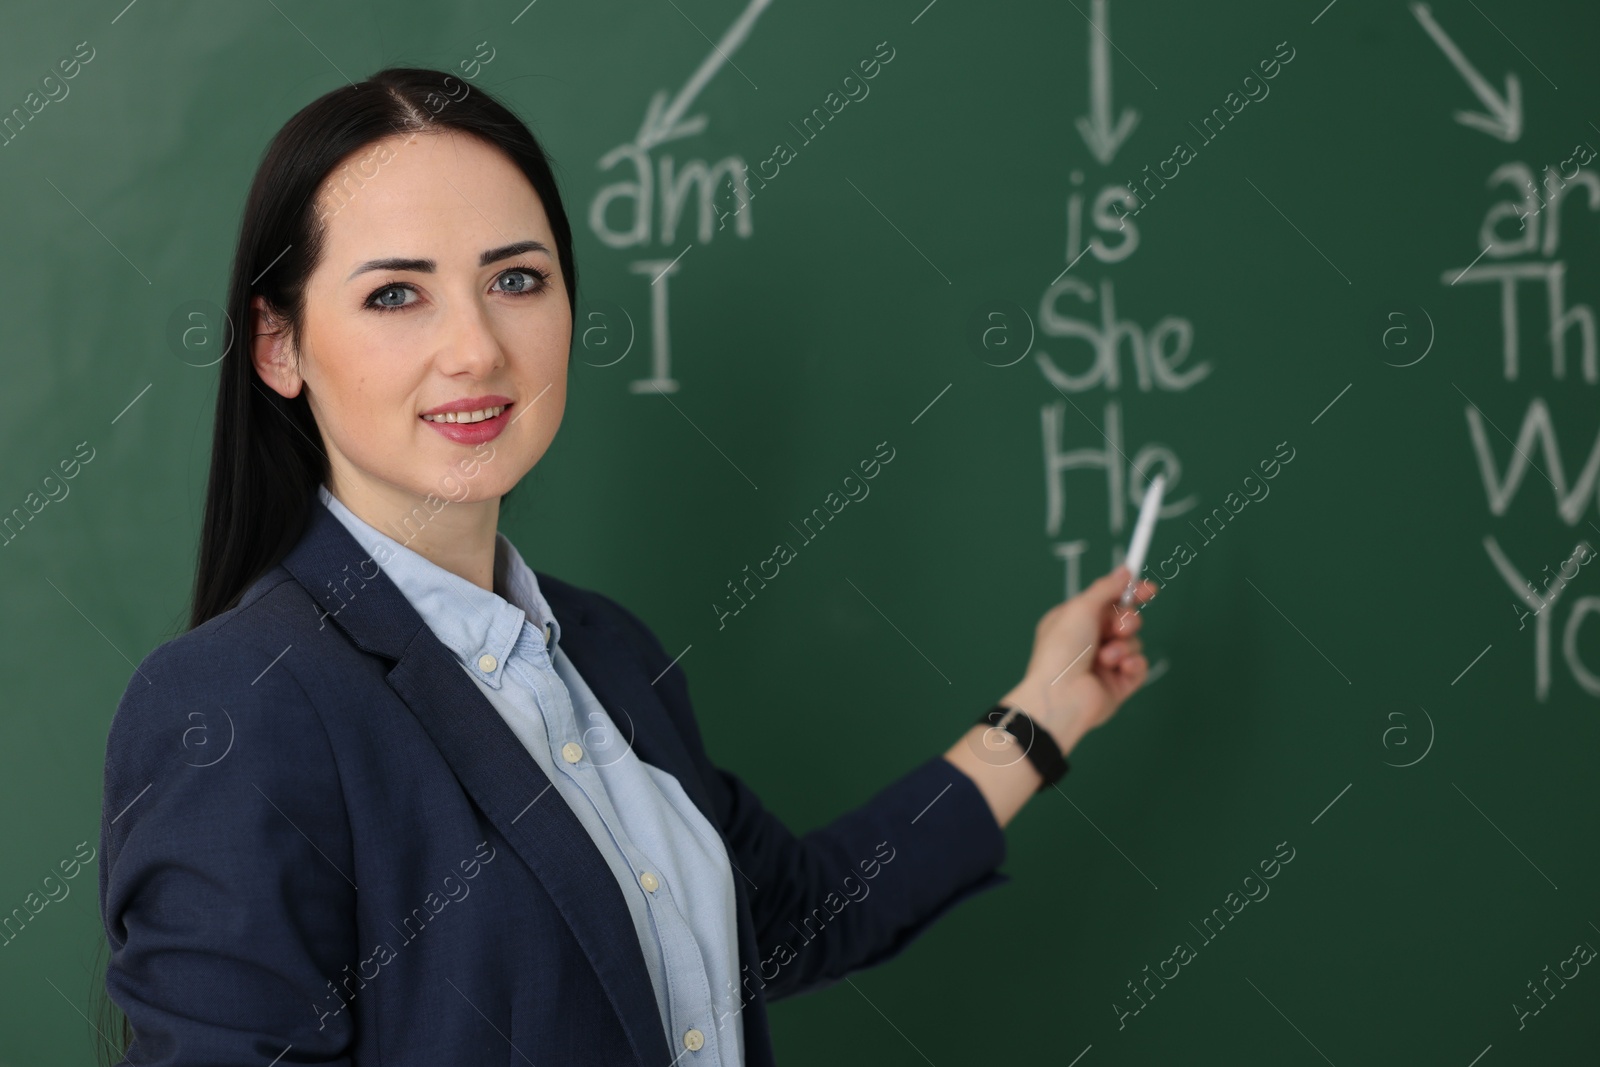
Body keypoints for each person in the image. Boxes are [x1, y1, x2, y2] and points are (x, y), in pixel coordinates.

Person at [96, 67, 1155, 1067]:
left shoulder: (603, 650)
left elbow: (785, 917)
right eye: (395, 295)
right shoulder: (240, 700)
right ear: (278, 345)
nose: (475, 347)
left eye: (516, 279)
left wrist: (1047, 708)